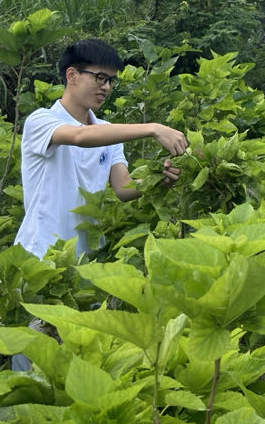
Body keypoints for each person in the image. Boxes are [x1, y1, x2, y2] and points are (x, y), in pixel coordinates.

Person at [15, 38, 189, 261]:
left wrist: (158, 179)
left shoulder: (107, 132)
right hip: (41, 254)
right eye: (100, 77)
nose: (106, 87)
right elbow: (79, 136)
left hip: (89, 258)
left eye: (111, 80)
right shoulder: (41, 121)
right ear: (72, 75)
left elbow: (124, 188)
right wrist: (153, 128)